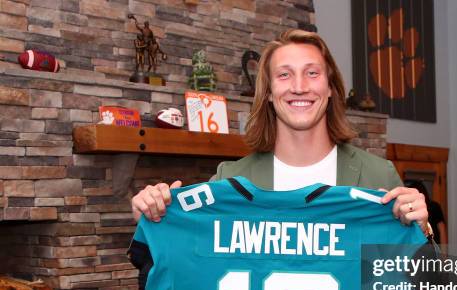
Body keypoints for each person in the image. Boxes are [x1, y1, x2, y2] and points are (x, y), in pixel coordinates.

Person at [131, 29, 431, 238]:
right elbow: (192, 262)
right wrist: (153, 215)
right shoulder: (230, 180)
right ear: (270, 94)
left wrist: (421, 228)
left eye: (312, 73)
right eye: (284, 74)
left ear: (330, 89)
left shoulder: (378, 175)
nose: (299, 86)